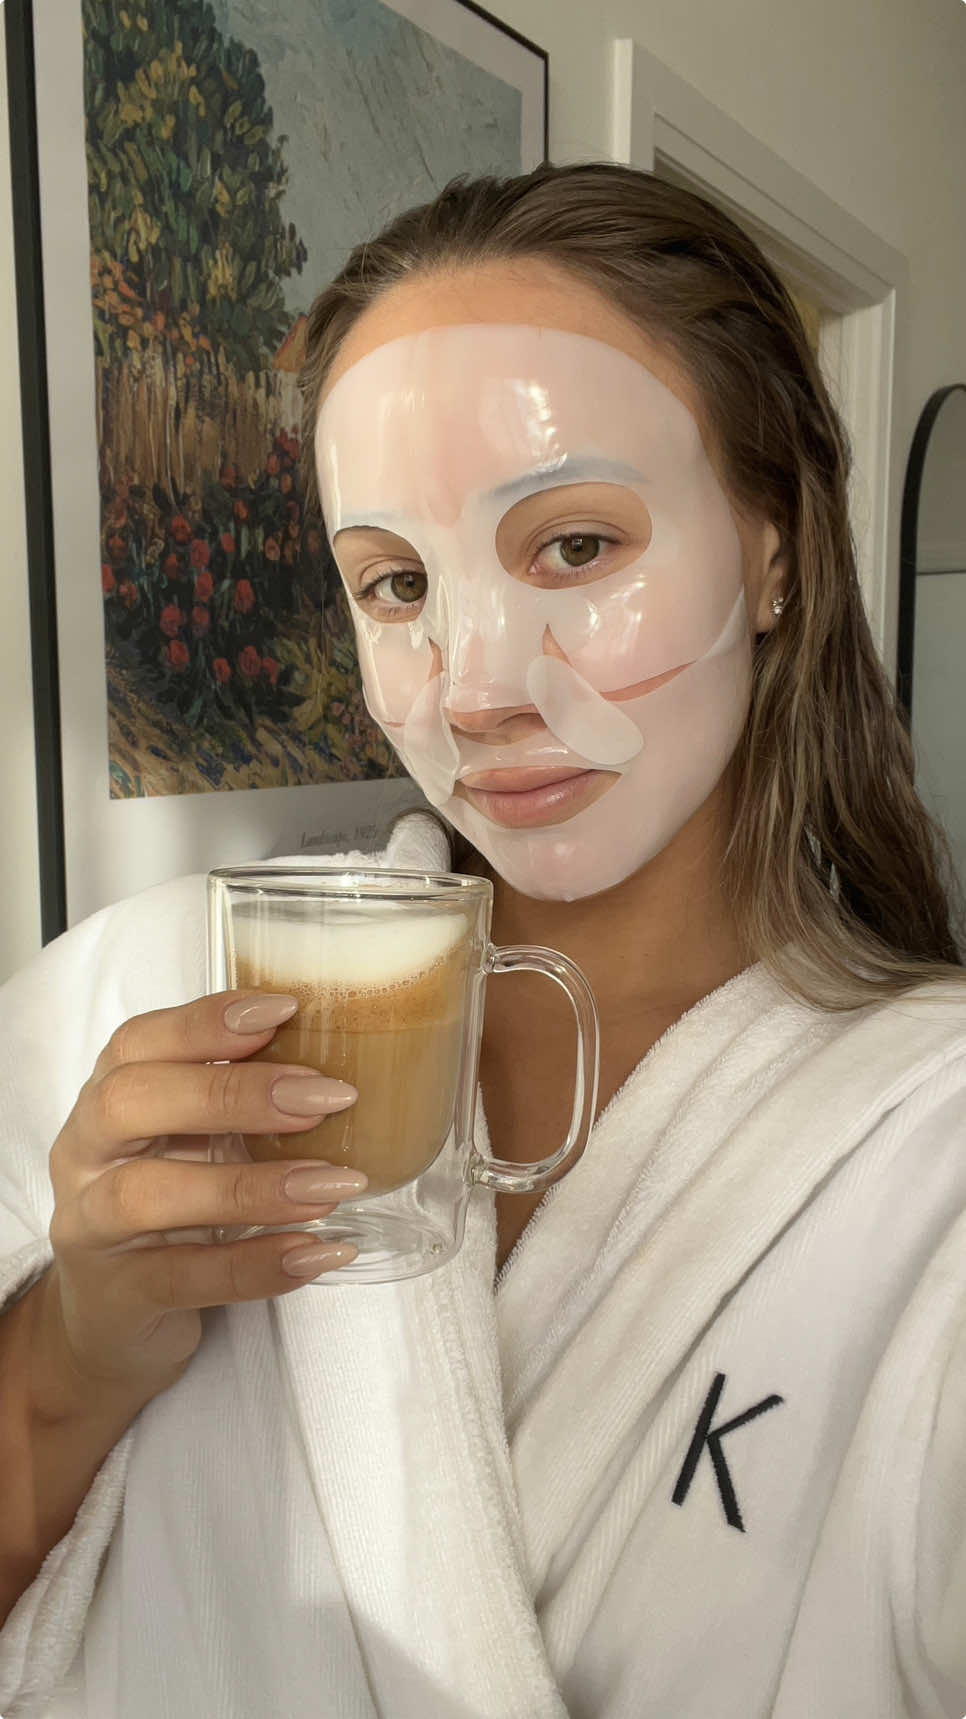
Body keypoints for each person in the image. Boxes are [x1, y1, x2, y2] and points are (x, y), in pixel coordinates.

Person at [1, 161, 965, 1719]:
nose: (472, 691)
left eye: (574, 547)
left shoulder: (927, 1152)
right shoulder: (146, 992)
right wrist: (73, 1353)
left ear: (773, 548)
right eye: (395, 584)